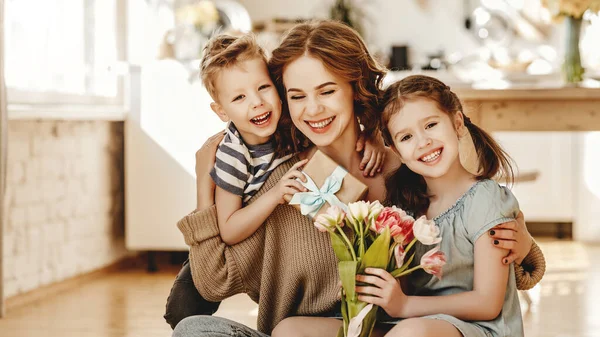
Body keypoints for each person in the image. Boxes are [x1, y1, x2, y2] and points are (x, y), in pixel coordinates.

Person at [168, 20, 545, 337]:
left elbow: (485, 275)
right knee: (197, 331)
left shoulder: (410, 161)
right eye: (297, 96)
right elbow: (212, 281)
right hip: (332, 331)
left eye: (327, 91)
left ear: (355, 88)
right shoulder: (285, 182)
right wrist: (207, 181)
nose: (313, 109)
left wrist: (524, 246)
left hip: (415, 326)